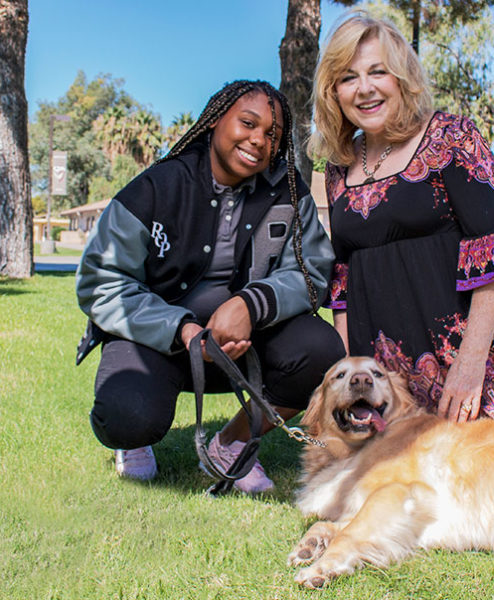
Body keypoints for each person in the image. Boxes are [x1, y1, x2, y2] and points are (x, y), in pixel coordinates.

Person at [76, 80, 345, 492]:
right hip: (158, 343)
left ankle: (231, 442)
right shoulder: (156, 187)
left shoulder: (288, 190)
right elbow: (99, 280)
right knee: (127, 415)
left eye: (272, 135)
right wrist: (181, 329)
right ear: (216, 119)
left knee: (321, 351)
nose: (259, 140)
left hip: (244, 343)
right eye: (248, 123)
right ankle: (134, 440)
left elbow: (314, 270)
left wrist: (251, 305)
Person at [309, 13, 494, 427]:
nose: (365, 88)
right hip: (386, 379)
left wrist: (470, 365)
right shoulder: (338, 168)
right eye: (348, 78)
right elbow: (344, 283)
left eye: (378, 72)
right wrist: (345, 373)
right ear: (333, 91)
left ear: (402, 78)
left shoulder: (452, 138)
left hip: (469, 356)